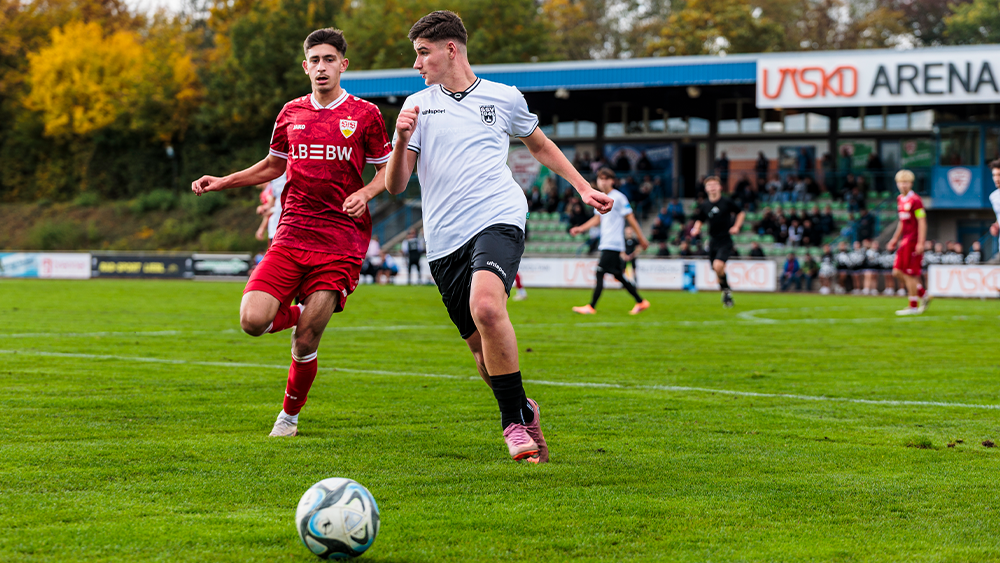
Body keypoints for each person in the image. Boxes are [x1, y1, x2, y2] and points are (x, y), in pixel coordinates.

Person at [384, 10, 614, 463]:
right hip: (444, 240)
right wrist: (398, 138)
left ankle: (510, 423)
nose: (417, 64)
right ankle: (524, 409)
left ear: (451, 49)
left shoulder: (504, 97)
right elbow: (395, 185)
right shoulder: (417, 108)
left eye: (422, 53)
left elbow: (540, 145)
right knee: (482, 355)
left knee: (487, 306)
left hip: (498, 215)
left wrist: (583, 185)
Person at [190, 28, 392, 437]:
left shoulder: (365, 115)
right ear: (305, 66)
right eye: (314, 60)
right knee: (251, 320)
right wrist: (224, 181)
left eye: (329, 59)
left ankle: (289, 416)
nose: (321, 67)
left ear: (343, 65)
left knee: (305, 342)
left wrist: (368, 193)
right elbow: (272, 166)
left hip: (340, 240)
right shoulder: (291, 113)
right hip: (292, 233)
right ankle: (300, 313)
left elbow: (386, 170)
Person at [569, 167, 650, 314]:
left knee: (600, 272)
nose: (603, 181)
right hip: (606, 242)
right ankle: (641, 301)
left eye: (606, 178)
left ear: (612, 181)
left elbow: (631, 219)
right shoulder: (599, 196)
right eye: (600, 178)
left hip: (613, 243)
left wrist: (641, 238)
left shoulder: (618, 197)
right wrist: (581, 228)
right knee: (618, 275)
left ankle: (591, 306)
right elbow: (597, 218)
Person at [690, 176, 745, 308]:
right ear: (706, 189)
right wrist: (696, 228)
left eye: (715, 184)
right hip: (712, 242)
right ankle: (726, 292)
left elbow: (741, 213)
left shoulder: (727, 202)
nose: (712, 187)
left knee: (718, 265)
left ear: (720, 187)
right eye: (709, 185)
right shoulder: (704, 205)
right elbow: (700, 219)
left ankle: (726, 291)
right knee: (717, 270)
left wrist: (736, 226)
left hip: (725, 240)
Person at [886, 169, 930, 315]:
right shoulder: (900, 199)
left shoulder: (916, 200)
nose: (903, 185)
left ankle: (913, 306)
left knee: (909, 274)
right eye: (900, 182)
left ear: (911, 183)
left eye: (906, 182)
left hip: (913, 241)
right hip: (904, 241)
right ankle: (923, 294)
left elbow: (922, 222)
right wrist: (894, 238)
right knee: (897, 272)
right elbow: (901, 222)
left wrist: (921, 242)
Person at [988, 160, 1000, 238]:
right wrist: (996, 225)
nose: (996, 178)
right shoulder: (993, 196)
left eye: (999, 175)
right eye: (994, 175)